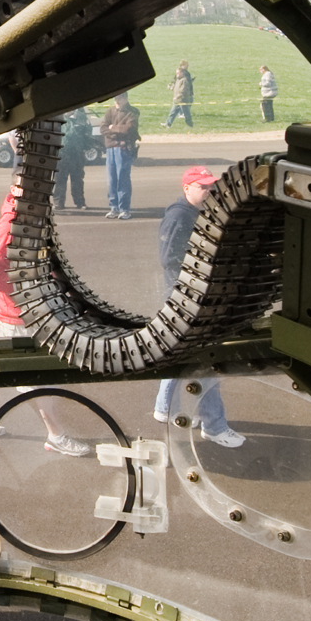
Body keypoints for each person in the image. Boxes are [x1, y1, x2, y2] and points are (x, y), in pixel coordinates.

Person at [0, 174, 90, 456]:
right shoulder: (11, 226)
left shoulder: (28, 220)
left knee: (9, 366)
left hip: (24, 313)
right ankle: (56, 435)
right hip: (20, 316)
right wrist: (27, 292)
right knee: (41, 377)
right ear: (18, 192)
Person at [150, 169, 243, 447]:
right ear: (187, 187)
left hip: (194, 297)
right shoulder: (179, 216)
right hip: (187, 299)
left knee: (187, 356)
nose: (209, 191)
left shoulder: (196, 213)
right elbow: (168, 258)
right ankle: (214, 425)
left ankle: (167, 408)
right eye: (203, 187)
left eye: (211, 187)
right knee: (204, 358)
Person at [99, 92, 139, 220]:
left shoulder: (132, 112)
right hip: (111, 148)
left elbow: (129, 129)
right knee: (112, 180)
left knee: (123, 178)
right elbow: (103, 129)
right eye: (115, 98)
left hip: (124, 149)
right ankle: (113, 208)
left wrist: (112, 128)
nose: (116, 101)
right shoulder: (110, 111)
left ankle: (124, 209)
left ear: (125, 99)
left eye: (119, 98)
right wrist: (116, 133)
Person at [54, 106, 92, 211]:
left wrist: (86, 147)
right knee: (59, 179)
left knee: (77, 179)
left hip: (76, 153)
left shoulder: (80, 117)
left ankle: (80, 202)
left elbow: (87, 133)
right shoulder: (57, 118)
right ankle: (58, 202)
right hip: (61, 152)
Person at [164, 62, 194, 127]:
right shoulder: (178, 80)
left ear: (182, 73)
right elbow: (176, 88)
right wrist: (171, 87)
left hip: (182, 100)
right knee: (172, 113)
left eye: (178, 73)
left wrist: (177, 97)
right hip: (177, 100)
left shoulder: (184, 80)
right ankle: (168, 124)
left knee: (186, 113)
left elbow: (182, 91)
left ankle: (190, 124)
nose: (176, 74)